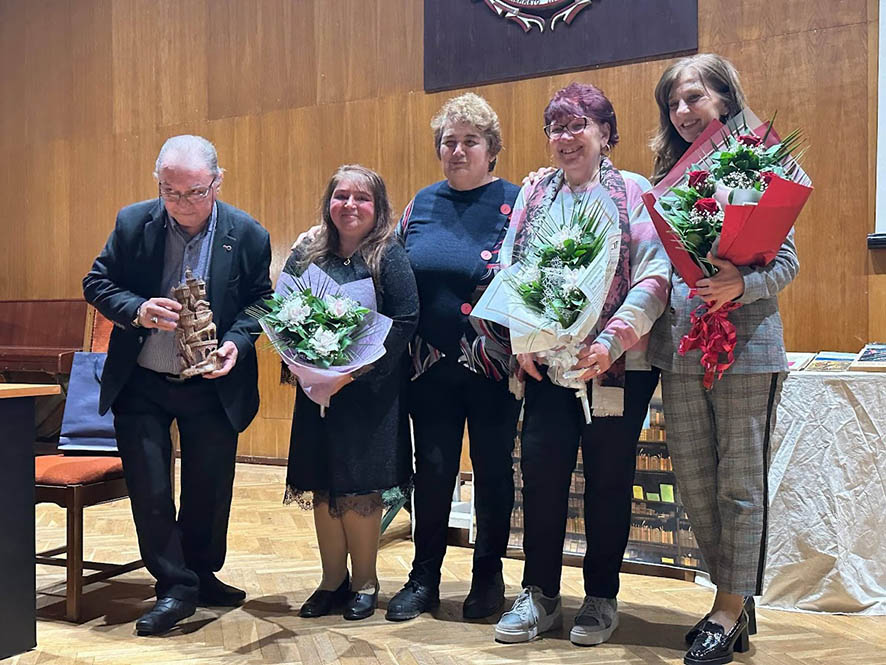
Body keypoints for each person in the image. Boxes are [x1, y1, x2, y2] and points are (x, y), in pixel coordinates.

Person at [493, 83, 670, 646]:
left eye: (578, 126)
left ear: (605, 133)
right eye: (556, 128)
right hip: (548, 367)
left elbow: (655, 275)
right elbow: (512, 266)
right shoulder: (535, 194)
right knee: (541, 477)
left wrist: (612, 340)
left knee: (609, 482)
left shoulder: (634, 191)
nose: (565, 138)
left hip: (616, 368)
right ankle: (540, 594)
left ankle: (600, 596)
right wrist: (522, 338)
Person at [82, 135, 272, 636]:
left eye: (194, 192)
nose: (182, 203)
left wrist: (237, 344)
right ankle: (173, 585)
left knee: (209, 487)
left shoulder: (247, 234)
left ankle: (201, 573)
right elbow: (96, 283)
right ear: (158, 183)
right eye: (170, 191)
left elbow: (261, 302)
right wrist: (138, 309)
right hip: (142, 378)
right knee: (150, 486)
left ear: (217, 182)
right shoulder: (132, 223)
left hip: (211, 382)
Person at [648, 54, 799, 665]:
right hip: (682, 347)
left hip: (748, 347)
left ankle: (727, 608)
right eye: (673, 104)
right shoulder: (668, 174)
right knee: (695, 484)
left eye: (694, 97)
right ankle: (734, 596)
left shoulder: (763, 162)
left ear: (726, 97)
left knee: (740, 484)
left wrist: (743, 284)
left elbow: (786, 262)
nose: (683, 112)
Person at [385, 93, 523, 622]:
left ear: (492, 149)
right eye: (449, 142)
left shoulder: (519, 202)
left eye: (470, 141)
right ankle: (424, 576)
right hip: (428, 365)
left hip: (493, 365)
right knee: (433, 471)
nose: (458, 150)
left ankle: (488, 575)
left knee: (493, 472)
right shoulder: (421, 204)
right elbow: (391, 268)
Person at [283, 165, 419, 621]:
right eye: (341, 196)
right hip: (318, 393)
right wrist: (307, 366)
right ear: (329, 203)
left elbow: (405, 320)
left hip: (368, 396)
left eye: (362, 198)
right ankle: (331, 582)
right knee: (324, 486)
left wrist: (354, 373)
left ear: (378, 207)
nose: (350, 205)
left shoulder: (388, 254)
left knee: (360, 488)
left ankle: (365, 582)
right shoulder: (308, 253)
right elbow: (284, 311)